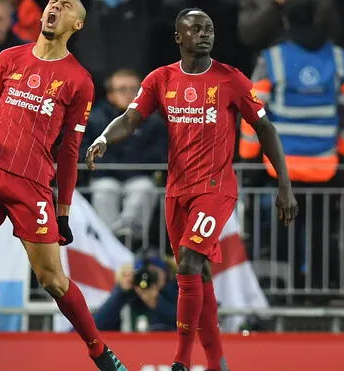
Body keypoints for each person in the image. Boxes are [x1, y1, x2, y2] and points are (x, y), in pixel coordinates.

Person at [86, 8, 299, 371]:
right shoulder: (161, 79)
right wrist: (105, 137)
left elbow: (267, 131)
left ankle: (181, 358)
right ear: (178, 38)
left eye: (209, 28)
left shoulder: (232, 79)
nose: (204, 33)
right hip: (177, 190)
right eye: (195, 28)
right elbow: (132, 118)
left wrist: (285, 185)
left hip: (216, 188)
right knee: (198, 277)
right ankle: (217, 361)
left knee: (187, 261)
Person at [0, 1, 127, 371]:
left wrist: (64, 211)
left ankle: (99, 352)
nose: (55, 5)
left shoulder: (79, 81)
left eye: (66, 4)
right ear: (42, 15)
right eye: (51, 2)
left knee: (53, 279)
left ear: (77, 23)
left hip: (31, 183)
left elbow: (70, 150)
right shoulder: (9, 58)